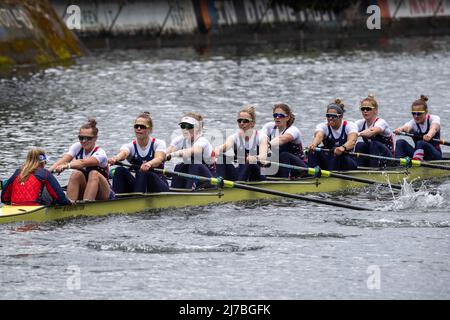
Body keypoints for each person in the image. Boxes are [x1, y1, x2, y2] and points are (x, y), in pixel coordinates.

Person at [49, 118, 114, 201]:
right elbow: (63, 160)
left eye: (88, 138)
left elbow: (82, 162)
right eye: (81, 137)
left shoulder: (100, 153)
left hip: (104, 193)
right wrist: (46, 173)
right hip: (85, 188)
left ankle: (87, 205)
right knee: (76, 174)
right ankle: (69, 205)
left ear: (95, 138)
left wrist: (66, 166)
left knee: (94, 173)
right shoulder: (77, 147)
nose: (84, 141)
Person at [108, 112, 169, 193]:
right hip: (140, 185)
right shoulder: (130, 146)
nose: (138, 129)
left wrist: (149, 164)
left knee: (143, 172)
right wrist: (115, 158)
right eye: (136, 126)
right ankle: (117, 199)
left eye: (142, 127)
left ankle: (137, 199)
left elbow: (159, 158)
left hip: (159, 186)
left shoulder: (159, 143)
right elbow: (123, 153)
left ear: (150, 129)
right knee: (119, 170)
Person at [214, 106, 269, 181]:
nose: (241, 123)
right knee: (221, 157)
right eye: (239, 120)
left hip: (257, 174)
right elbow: (226, 146)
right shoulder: (234, 137)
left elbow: (263, 157)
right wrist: (217, 150)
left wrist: (255, 158)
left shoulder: (262, 137)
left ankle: (238, 188)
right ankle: (218, 183)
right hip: (241, 173)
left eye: (245, 121)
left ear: (253, 123)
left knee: (251, 162)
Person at [1, 148, 70, 206]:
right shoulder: (45, 173)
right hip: (35, 207)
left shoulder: (17, 173)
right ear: (43, 162)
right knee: (52, 191)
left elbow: (4, 198)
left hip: (14, 206)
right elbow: (60, 198)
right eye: (45, 162)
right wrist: (68, 204)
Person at [166, 112, 215, 189]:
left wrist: (172, 154)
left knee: (195, 164)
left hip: (210, 178)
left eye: (189, 126)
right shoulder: (179, 139)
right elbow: (166, 152)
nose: (185, 130)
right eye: (183, 126)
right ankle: (174, 189)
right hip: (193, 176)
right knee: (179, 166)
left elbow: (193, 151)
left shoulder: (202, 141)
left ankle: (189, 191)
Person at [308, 99, 358, 171]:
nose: (330, 118)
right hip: (330, 160)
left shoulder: (350, 125)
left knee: (337, 152)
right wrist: (314, 144)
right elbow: (319, 136)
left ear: (340, 116)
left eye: (333, 116)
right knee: (313, 151)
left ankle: (332, 178)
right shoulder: (323, 126)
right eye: (328, 116)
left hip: (347, 161)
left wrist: (343, 148)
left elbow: (352, 141)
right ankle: (312, 173)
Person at [261, 103, 307, 179]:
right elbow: (261, 138)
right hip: (279, 165)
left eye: (281, 116)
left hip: (298, 167)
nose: (277, 118)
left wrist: (266, 146)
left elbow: (282, 139)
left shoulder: (293, 130)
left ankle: (283, 180)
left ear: (287, 117)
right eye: (275, 115)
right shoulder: (269, 126)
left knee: (284, 155)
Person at [393, 95, 442, 161]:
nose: (416, 116)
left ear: (426, 112)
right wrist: (400, 129)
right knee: (400, 142)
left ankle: (416, 165)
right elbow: (406, 127)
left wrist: (429, 135)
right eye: (413, 113)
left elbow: (434, 128)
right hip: (419, 154)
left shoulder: (434, 118)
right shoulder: (413, 123)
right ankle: (398, 165)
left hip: (434, 155)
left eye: (419, 113)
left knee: (420, 143)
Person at [354, 94, 395, 167]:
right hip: (373, 156)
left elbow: (372, 132)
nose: (365, 111)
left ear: (375, 110)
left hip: (387, 158)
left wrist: (357, 134)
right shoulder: (360, 123)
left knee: (374, 144)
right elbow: (349, 129)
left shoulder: (381, 122)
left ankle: (373, 171)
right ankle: (358, 168)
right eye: (363, 109)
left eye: (368, 108)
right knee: (359, 144)